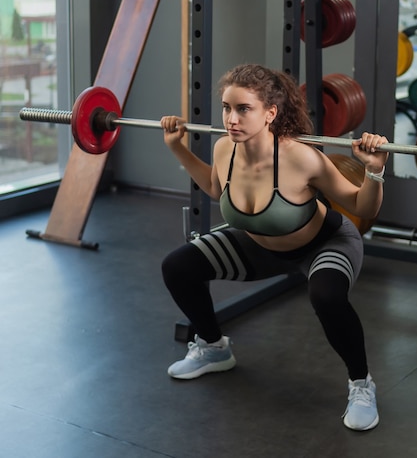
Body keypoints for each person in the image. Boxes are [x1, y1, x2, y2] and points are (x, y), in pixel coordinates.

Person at [160, 63, 389, 431]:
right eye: (226, 108)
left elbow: (363, 207)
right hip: (259, 246)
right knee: (178, 266)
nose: (231, 119)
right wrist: (178, 148)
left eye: (243, 109)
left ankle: (361, 384)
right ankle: (214, 347)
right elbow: (217, 188)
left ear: (271, 113)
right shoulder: (224, 149)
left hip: (323, 244)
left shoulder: (302, 157)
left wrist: (374, 172)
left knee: (327, 297)